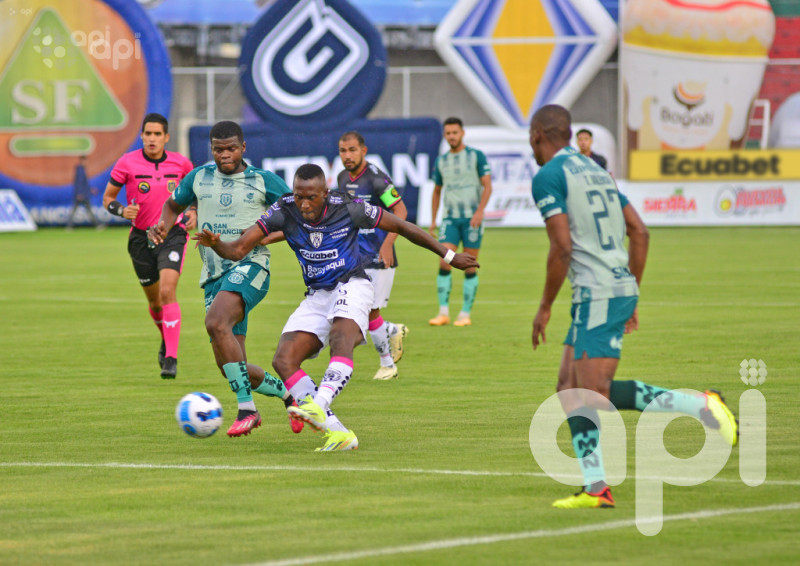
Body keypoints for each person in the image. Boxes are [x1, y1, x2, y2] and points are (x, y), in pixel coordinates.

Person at [529, 104, 739, 509]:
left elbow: (562, 248)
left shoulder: (548, 176)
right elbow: (639, 232)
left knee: (594, 391)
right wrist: (632, 290)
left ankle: (701, 405)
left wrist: (544, 307)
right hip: (611, 288)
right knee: (569, 389)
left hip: (597, 293)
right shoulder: (595, 170)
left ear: (537, 135)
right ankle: (596, 488)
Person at [193, 164, 479, 451]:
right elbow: (239, 249)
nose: (304, 204)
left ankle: (318, 404)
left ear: (325, 193)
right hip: (317, 294)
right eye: (299, 196)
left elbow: (402, 226)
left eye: (311, 197)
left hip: (352, 283)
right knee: (284, 359)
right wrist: (217, 245)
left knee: (342, 339)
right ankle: (339, 433)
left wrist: (450, 255)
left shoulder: (349, 207)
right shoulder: (284, 209)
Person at [148, 120, 299, 438]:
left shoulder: (262, 180)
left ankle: (247, 410)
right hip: (213, 275)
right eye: (219, 149)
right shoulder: (199, 177)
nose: (225, 155)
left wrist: (260, 239)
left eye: (231, 149)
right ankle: (291, 397)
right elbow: (172, 205)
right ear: (211, 150)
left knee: (216, 322)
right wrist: (164, 224)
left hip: (251, 267)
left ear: (243, 148)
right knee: (232, 364)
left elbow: (299, 217)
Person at [102, 113, 194, 378]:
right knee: (155, 303)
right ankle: (167, 336)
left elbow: (198, 190)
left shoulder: (181, 164)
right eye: (147, 134)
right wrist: (120, 210)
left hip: (171, 234)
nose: (152, 139)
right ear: (141, 136)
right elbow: (108, 197)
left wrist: (195, 211)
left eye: (157, 134)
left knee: (167, 292)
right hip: (141, 239)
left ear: (166, 137)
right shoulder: (127, 163)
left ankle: (171, 359)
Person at [336, 131, 408, 381]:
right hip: (355, 255)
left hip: (379, 255)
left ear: (363, 151)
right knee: (358, 311)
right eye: (343, 150)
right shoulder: (343, 177)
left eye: (352, 150)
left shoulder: (377, 180)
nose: (347, 155)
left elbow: (400, 209)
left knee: (370, 313)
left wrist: (389, 242)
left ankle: (388, 365)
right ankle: (392, 330)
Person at [428, 117, 492, 327]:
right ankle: (443, 312)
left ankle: (465, 314)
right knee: (444, 260)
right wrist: (433, 220)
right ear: (445, 136)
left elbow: (488, 186)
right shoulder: (441, 161)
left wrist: (480, 212)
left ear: (462, 133)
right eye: (448, 133)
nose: (452, 137)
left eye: (455, 132)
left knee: (470, 266)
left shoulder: (476, 156)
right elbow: (436, 191)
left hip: (472, 219)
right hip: (450, 219)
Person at [67, 155, 103, 229]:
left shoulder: (82, 169)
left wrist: (90, 189)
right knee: (81, 210)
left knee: (85, 210)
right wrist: (79, 193)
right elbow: (79, 183)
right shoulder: (80, 170)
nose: (86, 162)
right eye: (85, 161)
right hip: (82, 194)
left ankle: (69, 226)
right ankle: (97, 225)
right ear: (82, 160)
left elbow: (84, 183)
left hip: (84, 193)